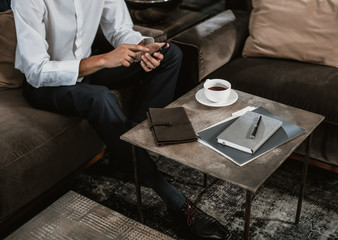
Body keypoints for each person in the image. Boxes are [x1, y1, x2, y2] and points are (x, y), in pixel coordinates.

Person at [11, 0, 229, 239]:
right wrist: (105, 60)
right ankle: (174, 200)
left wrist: (143, 50)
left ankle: (129, 155)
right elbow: (36, 70)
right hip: (46, 84)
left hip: (88, 71)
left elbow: (119, 29)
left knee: (170, 54)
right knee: (101, 98)